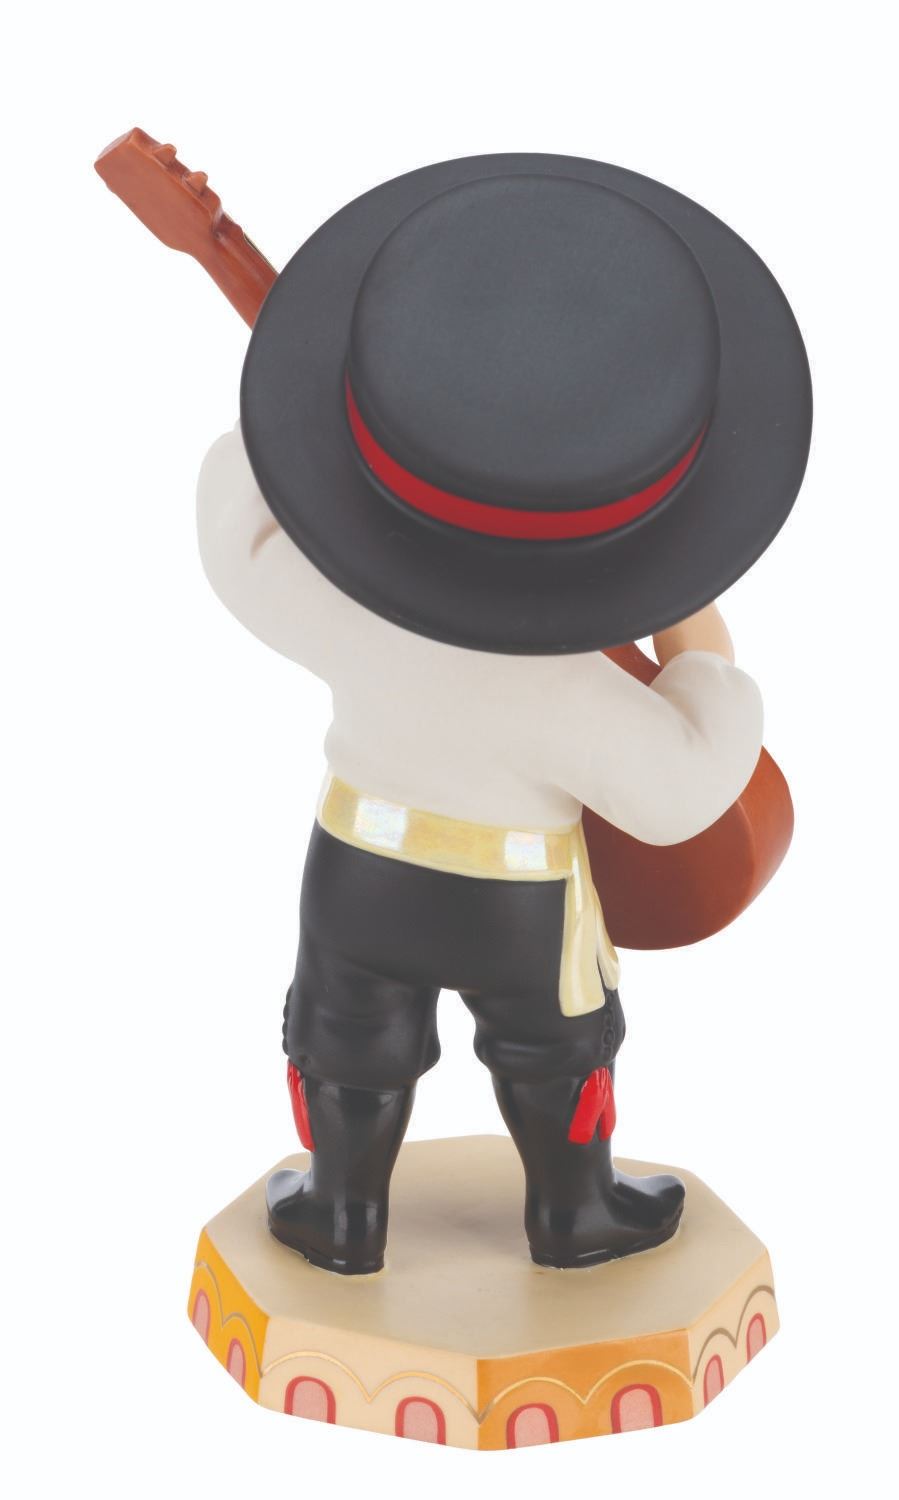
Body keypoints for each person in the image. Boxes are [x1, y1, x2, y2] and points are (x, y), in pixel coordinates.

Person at [197, 155, 811, 1275]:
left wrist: (309, 438)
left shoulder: (333, 604)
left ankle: (340, 1210)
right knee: (555, 1050)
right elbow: (680, 792)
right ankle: (574, 1212)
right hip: (517, 897)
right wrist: (695, 642)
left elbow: (236, 522)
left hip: (359, 864)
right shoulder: (567, 688)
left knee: (346, 1037)